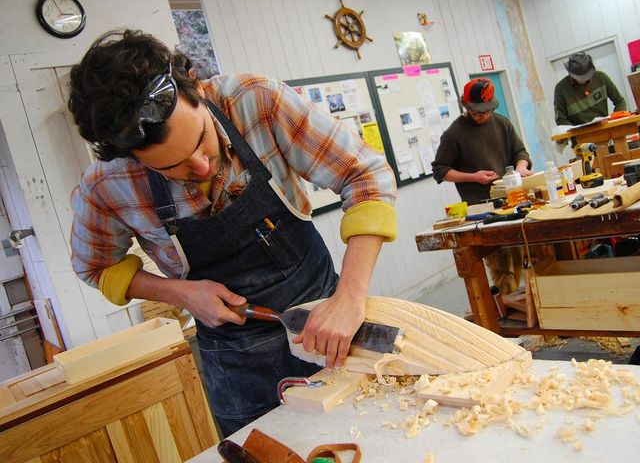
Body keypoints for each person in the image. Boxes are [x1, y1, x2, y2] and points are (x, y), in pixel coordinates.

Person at [67, 29, 397, 437]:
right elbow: (95, 266)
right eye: (174, 168)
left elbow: (365, 175)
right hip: (237, 361)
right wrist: (183, 294)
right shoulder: (107, 185)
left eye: (202, 141)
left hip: (330, 323)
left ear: (194, 85)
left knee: (374, 435)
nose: (203, 168)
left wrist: (349, 297)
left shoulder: (254, 100)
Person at [432, 78, 532, 296]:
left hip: (512, 202)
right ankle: (508, 309)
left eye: (487, 111)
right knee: (501, 265)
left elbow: (520, 153)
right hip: (483, 210)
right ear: (466, 106)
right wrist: (473, 177)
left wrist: (520, 168)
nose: (484, 116)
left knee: (519, 256)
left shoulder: (502, 123)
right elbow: (440, 170)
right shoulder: (453, 134)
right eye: (478, 112)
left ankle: (521, 307)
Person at [554, 52, 627, 126]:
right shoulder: (560, 89)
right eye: (579, 77)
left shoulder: (601, 77)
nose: (583, 79)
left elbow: (620, 101)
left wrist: (616, 121)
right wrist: (576, 133)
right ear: (571, 73)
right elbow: (561, 120)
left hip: (604, 128)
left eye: (586, 75)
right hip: (580, 135)